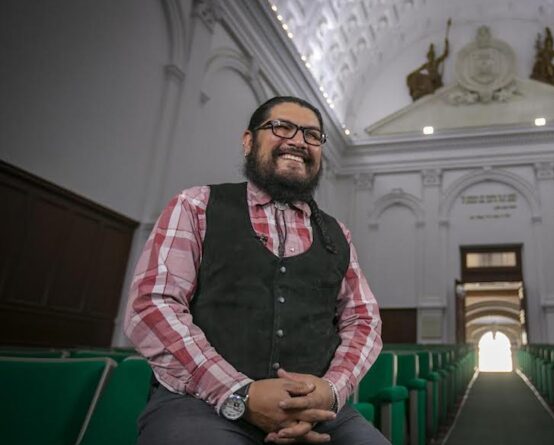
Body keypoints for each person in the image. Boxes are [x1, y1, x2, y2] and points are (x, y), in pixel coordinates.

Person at [124, 96, 387, 444]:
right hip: (200, 404)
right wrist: (239, 394)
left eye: (311, 135)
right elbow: (152, 305)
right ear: (248, 141)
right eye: (282, 127)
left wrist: (329, 391)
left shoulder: (338, 234)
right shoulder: (196, 205)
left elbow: (363, 321)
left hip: (315, 413)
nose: (298, 141)